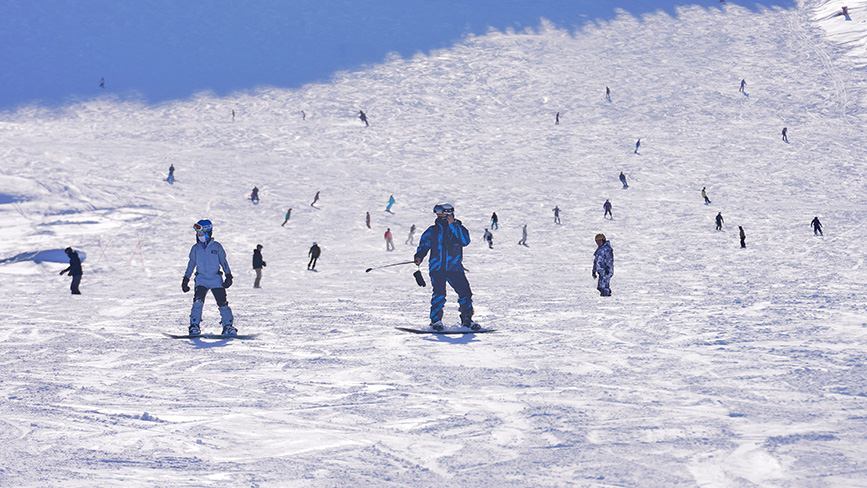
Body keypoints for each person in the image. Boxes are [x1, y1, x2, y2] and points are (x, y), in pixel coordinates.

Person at [414, 203, 479, 331]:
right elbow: (424, 245)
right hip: (437, 268)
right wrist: (419, 256)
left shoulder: (458, 228)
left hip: (455, 268)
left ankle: (467, 321)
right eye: (438, 214)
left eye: (442, 214)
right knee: (439, 294)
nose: (439, 216)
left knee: (465, 293)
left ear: (449, 214)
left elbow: (465, 241)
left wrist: (453, 225)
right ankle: (436, 321)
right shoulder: (432, 230)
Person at [182, 220, 236, 336]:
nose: (199, 237)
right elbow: (191, 264)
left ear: (208, 233)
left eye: (202, 234)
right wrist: (186, 278)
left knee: (222, 303)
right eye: (198, 235)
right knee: (198, 301)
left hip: (215, 279)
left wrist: (228, 275)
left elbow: (223, 262)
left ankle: (228, 325)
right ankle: (194, 325)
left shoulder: (217, 247)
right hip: (201, 279)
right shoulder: (196, 248)